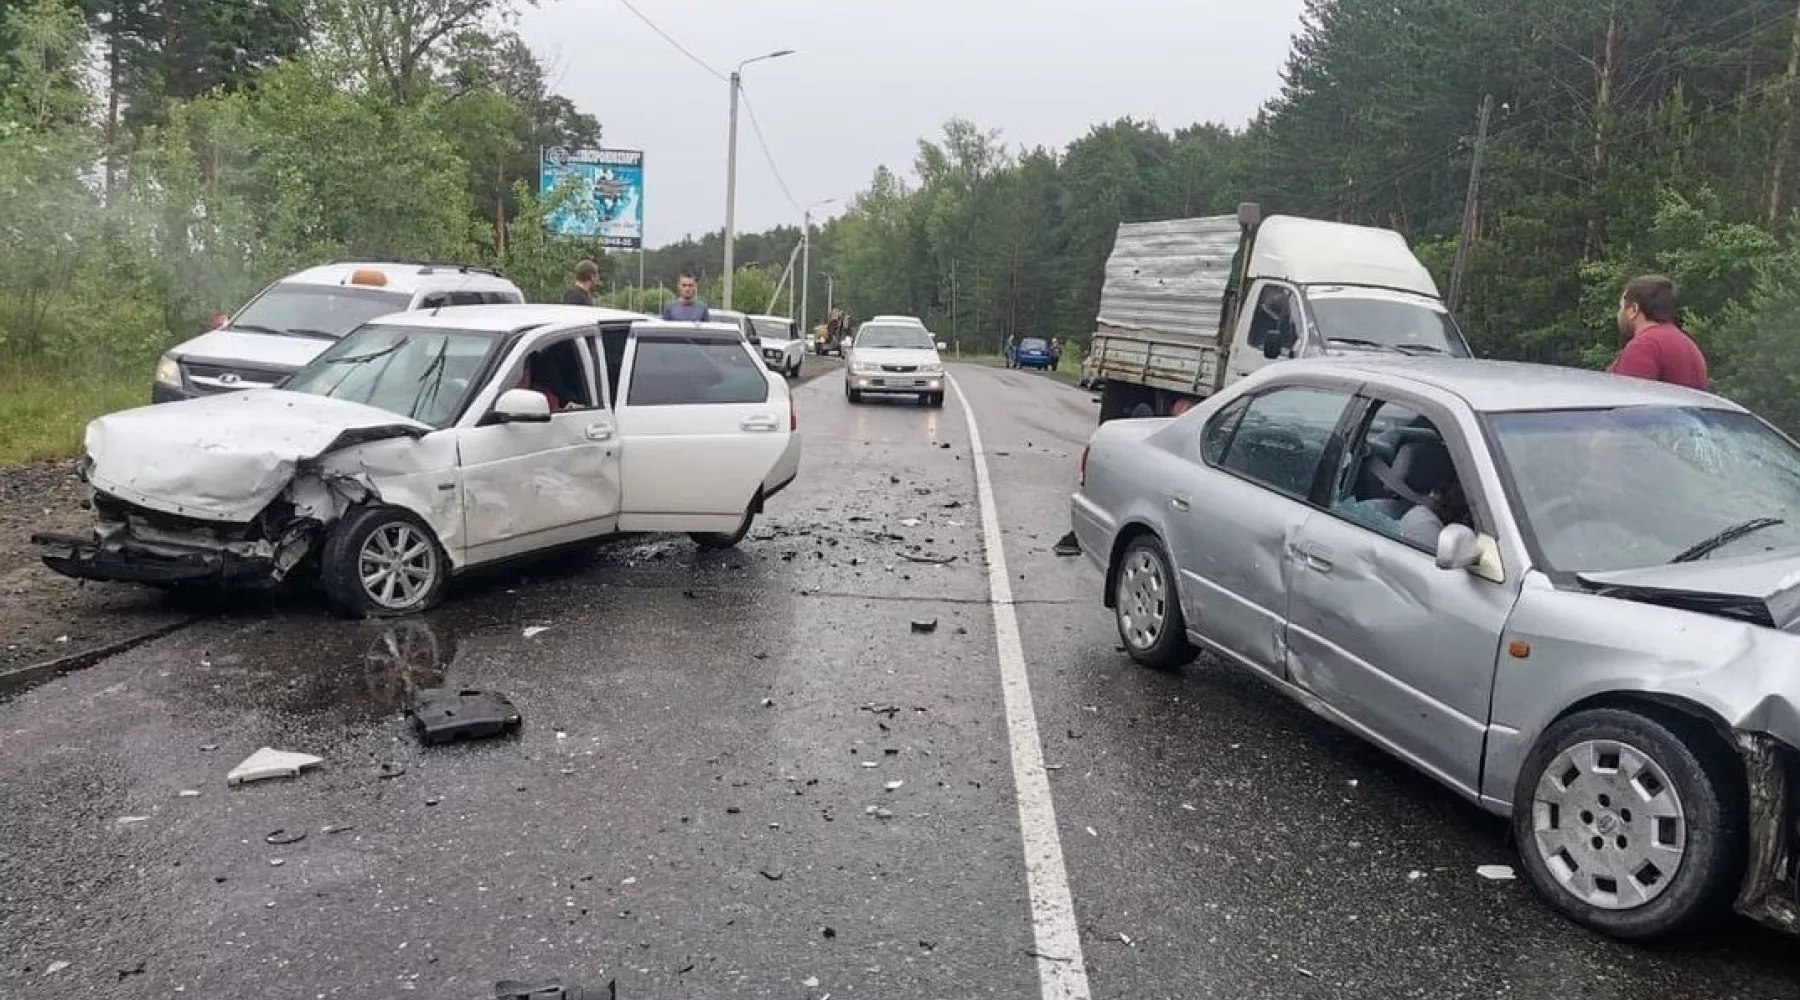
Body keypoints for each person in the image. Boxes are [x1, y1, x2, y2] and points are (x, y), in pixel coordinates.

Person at [1608, 274, 1708, 391]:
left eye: (1621, 307)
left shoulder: (1645, 345)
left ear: (1633, 310)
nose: (1619, 313)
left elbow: (1626, 398)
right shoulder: (1687, 343)